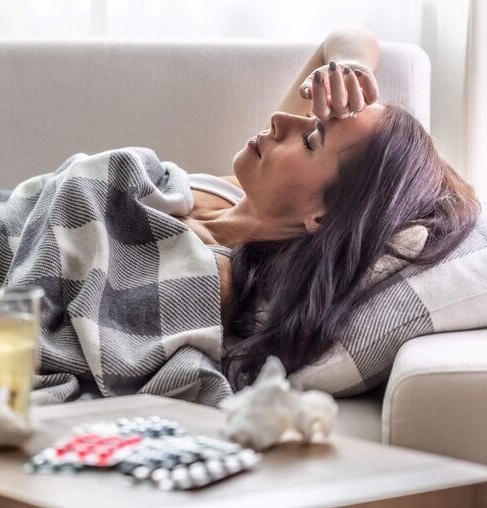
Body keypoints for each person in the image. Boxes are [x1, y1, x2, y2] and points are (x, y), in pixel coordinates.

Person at [172, 25, 481, 390]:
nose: (280, 120)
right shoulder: (240, 189)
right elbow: (348, 37)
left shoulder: (213, 273)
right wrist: (350, 68)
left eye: (310, 139)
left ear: (320, 214)